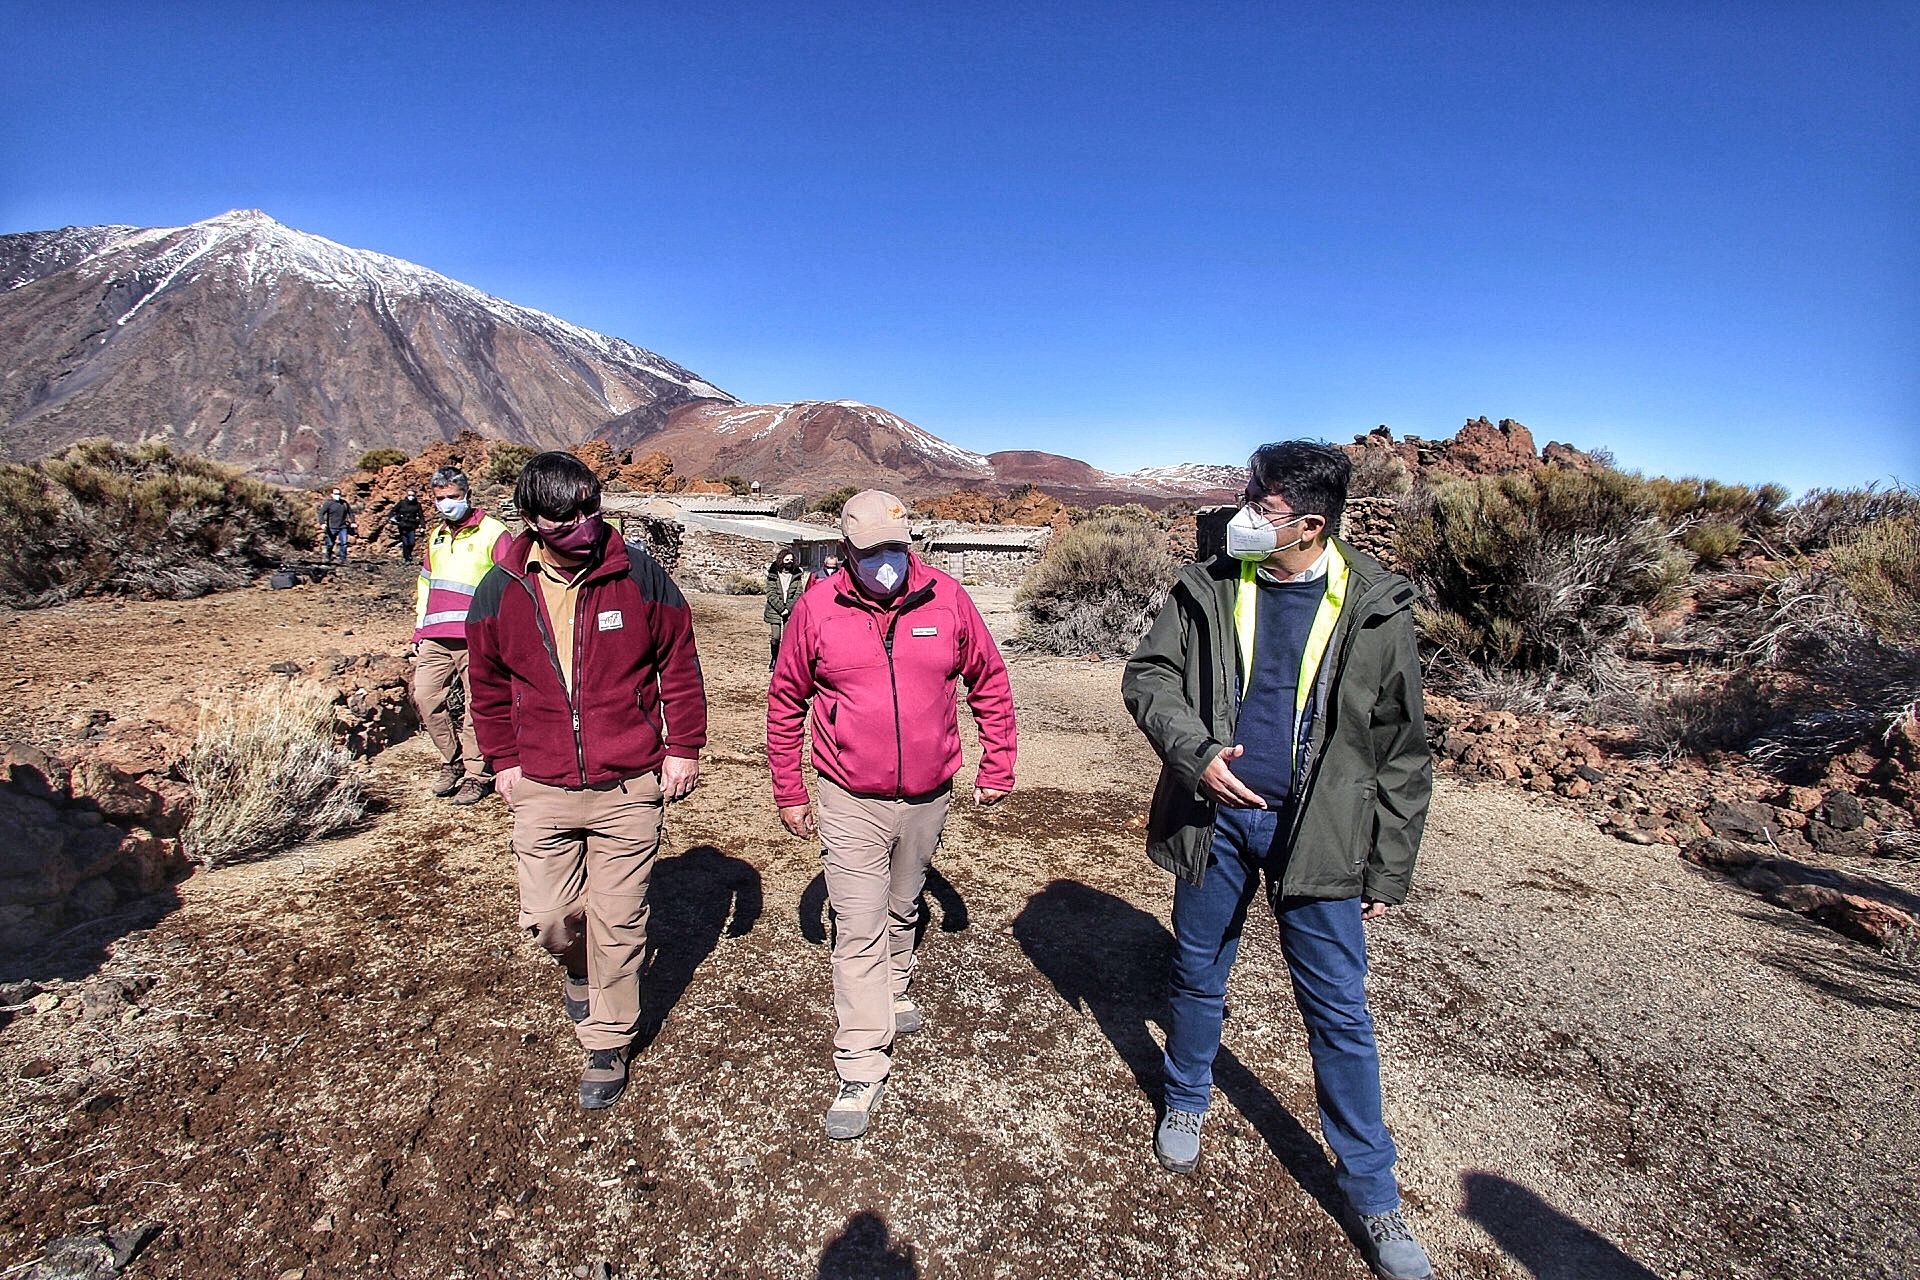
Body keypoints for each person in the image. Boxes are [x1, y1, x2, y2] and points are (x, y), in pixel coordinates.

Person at [1121, 441, 1435, 1280]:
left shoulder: (1374, 606)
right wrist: (1194, 753)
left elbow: (1402, 746)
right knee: (1198, 970)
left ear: (1311, 525)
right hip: (1217, 820)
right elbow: (1149, 677)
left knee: (1338, 1011)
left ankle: (1373, 1192)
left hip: (1321, 833)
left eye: (1260, 504)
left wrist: (1389, 862)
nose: (1243, 515)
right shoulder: (1214, 583)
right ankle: (1186, 1097)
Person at [766, 490, 1017, 1139]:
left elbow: (988, 679)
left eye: (896, 549)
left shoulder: (947, 598)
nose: (887, 562)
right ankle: (860, 1063)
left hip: (929, 792)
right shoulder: (817, 608)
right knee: (858, 927)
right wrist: (790, 789)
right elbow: (786, 700)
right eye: (872, 551)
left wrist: (997, 763)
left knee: (904, 905)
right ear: (846, 551)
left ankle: (897, 981)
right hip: (849, 795)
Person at [466, 451, 706, 1111]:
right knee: (548, 919)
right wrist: (502, 760)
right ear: (531, 520)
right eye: (564, 517)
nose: (584, 524)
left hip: (628, 783)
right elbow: (487, 687)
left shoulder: (638, 573)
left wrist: (683, 747)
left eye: (591, 509)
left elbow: (678, 662)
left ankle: (607, 1039)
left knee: (619, 920)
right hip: (540, 783)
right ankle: (578, 966)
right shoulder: (501, 589)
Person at [411, 467, 511, 806]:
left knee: (475, 706)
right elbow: (426, 583)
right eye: (440, 498)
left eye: (453, 497)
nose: (447, 504)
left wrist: (500, 631)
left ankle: (476, 774)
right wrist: (419, 629)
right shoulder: (436, 537)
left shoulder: (493, 532)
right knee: (426, 697)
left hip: (477, 635)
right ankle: (451, 760)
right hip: (436, 635)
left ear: (467, 495)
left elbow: (508, 585)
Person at [763, 544, 806, 670]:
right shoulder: (773, 574)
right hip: (775, 609)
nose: (789, 562)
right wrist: (781, 609)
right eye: (787, 560)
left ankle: (784, 660)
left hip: (790, 609)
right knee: (775, 637)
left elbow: (798, 593)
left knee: (788, 637)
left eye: (791, 560)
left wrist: (789, 608)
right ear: (781, 560)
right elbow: (770, 593)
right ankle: (774, 658)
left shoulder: (796, 575)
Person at [317, 487, 354, 565]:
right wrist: (322, 523)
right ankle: (328, 556)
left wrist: (353, 522)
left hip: (343, 527)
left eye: (339, 494)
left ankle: (343, 559)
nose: (338, 495)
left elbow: (350, 513)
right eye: (336, 494)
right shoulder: (328, 503)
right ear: (332, 494)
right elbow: (321, 513)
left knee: (344, 543)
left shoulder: (344, 503)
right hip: (331, 527)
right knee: (330, 544)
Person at [388, 489, 425, 561]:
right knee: (405, 542)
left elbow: (421, 516)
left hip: (411, 525)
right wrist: (392, 518)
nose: (411, 497)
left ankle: (409, 554)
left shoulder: (417, 505)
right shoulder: (402, 503)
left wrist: (422, 526)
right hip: (402, 525)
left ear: (415, 496)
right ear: (407, 495)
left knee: (412, 542)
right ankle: (407, 558)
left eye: (412, 495)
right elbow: (393, 511)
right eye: (409, 495)